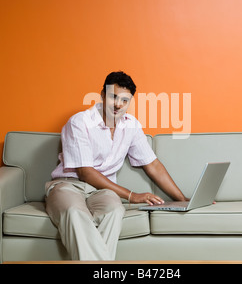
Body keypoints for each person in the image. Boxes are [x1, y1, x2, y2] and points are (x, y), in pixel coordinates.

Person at [45, 71, 187, 260]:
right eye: (113, 97)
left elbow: (152, 164)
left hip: (102, 192)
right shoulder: (80, 122)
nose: (118, 104)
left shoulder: (131, 125)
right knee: (74, 212)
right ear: (103, 95)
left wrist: (183, 200)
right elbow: (85, 172)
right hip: (69, 185)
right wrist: (131, 196)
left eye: (125, 100)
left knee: (114, 211)